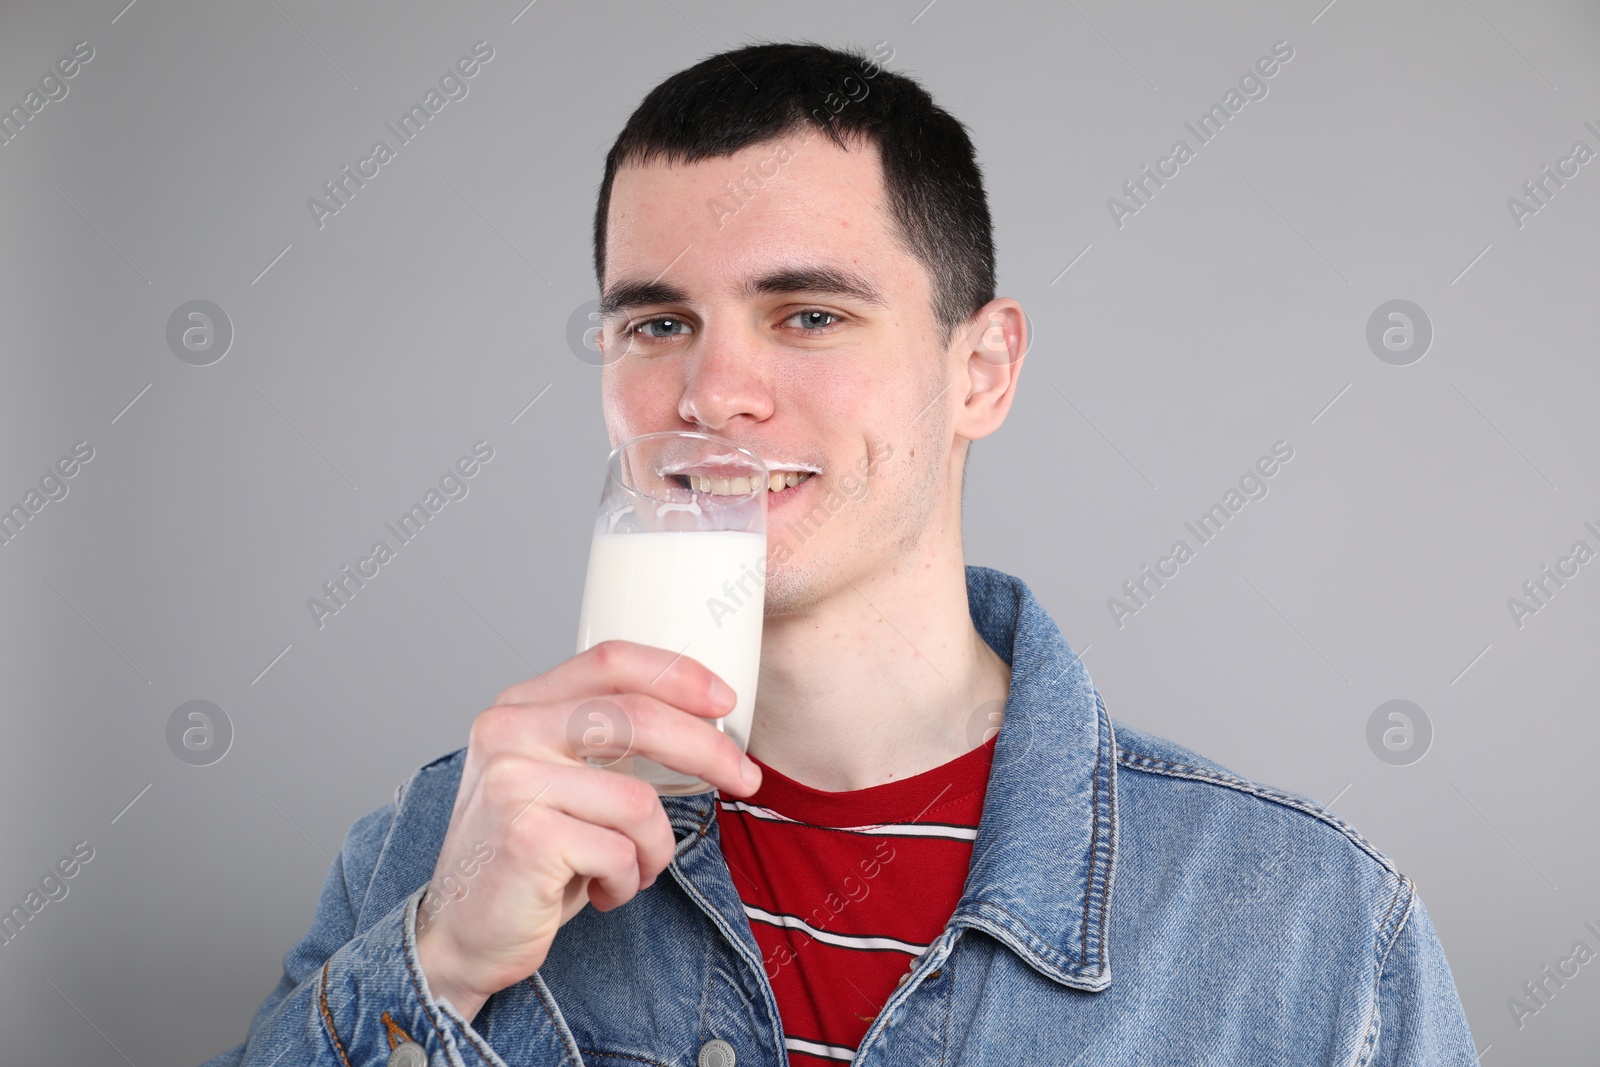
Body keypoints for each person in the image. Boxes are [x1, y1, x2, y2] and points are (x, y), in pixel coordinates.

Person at [204, 40, 1479, 1067]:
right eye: (658, 321)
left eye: (807, 312)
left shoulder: (1311, 928)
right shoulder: (436, 840)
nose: (713, 391)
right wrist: (436, 961)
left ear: (980, 370)